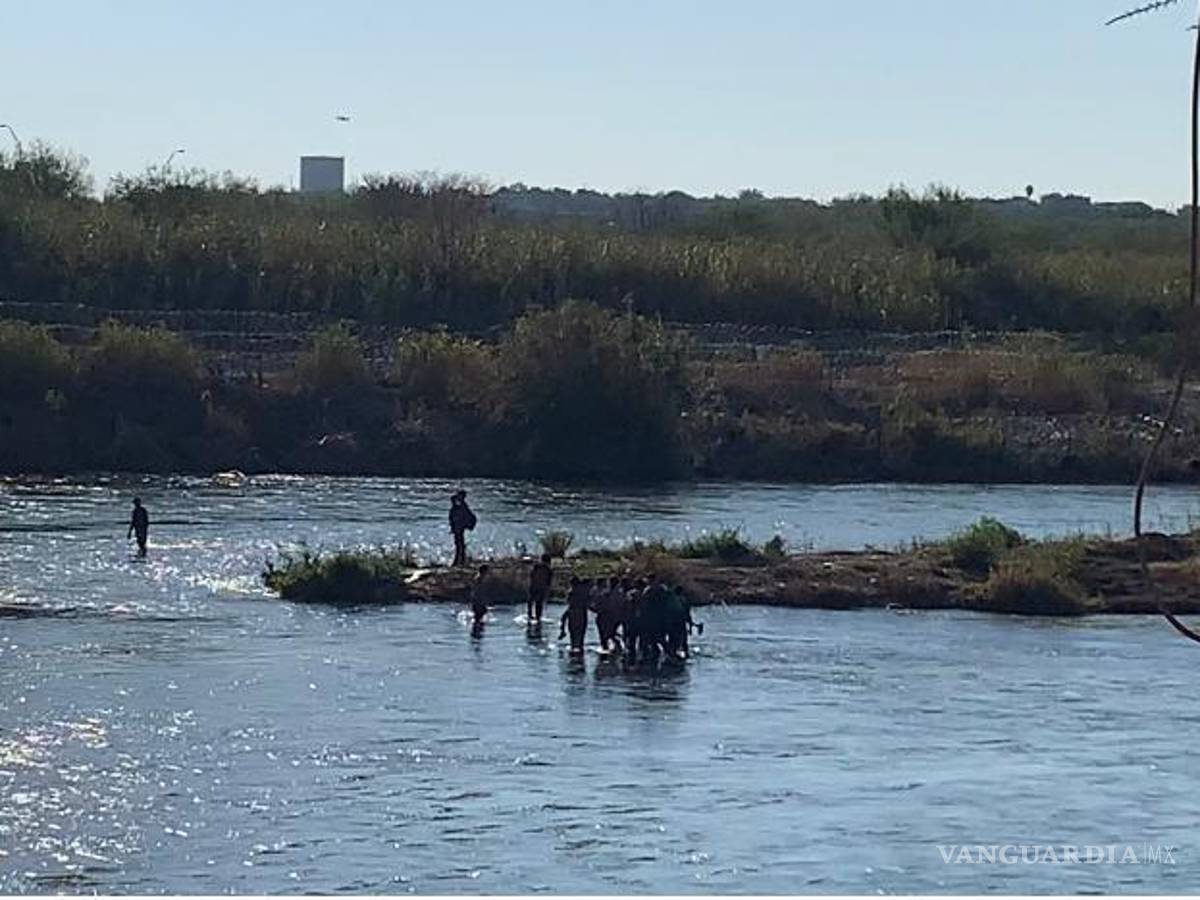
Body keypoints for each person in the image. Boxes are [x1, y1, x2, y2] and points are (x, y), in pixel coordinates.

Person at [559, 576, 590, 654]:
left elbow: (570, 604)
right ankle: (579, 650)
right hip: (582, 614)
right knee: (581, 636)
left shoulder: (572, 592)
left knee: (573, 636)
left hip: (573, 614)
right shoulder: (583, 592)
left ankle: (574, 650)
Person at [448, 490, 476, 567]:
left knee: (459, 545)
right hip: (458, 529)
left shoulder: (462, 507)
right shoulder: (459, 507)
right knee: (459, 545)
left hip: (459, 529)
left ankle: (460, 561)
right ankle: (460, 561)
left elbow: (465, 517)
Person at [528, 553, 552, 622]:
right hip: (541, 587)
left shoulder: (537, 566)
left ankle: (530, 614)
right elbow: (549, 582)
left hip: (535, 586)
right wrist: (547, 590)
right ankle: (537, 617)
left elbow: (531, 575)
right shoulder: (548, 569)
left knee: (531, 601)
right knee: (539, 603)